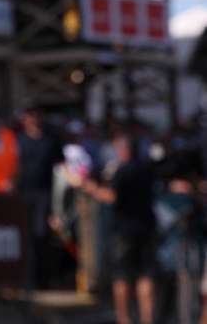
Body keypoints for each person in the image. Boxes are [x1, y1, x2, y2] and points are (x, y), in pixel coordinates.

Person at [80, 134, 155, 324]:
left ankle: (124, 319)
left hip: (123, 229)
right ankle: (147, 319)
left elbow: (112, 196)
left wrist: (91, 189)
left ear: (123, 150)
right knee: (145, 275)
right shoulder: (146, 169)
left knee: (121, 276)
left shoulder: (122, 171)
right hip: (146, 226)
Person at [16, 108, 62, 288]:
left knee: (41, 233)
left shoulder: (50, 140)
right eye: (28, 116)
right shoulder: (18, 140)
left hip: (44, 192)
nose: (32, 120)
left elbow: (60, 166)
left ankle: (44, 278)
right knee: (25, 235)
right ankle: (28, 278)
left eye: (34, 116)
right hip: (23, 192)